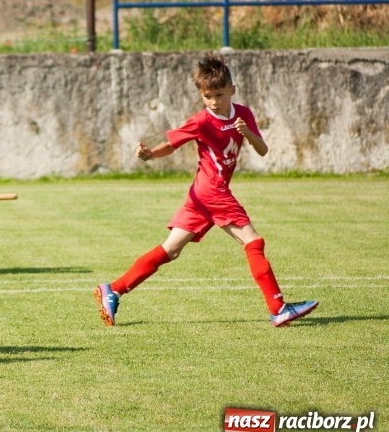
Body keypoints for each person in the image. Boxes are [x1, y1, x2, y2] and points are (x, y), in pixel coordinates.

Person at [95, 53, 319, 328]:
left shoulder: (244, 114)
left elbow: (262, 150)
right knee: (253, 241)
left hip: (200, 196)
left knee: (171, 250)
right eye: (208, 96)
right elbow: (173, 143)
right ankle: (278, 307)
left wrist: (246, 132)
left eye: (220, 94)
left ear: (232, 90)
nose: (214, 101)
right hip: (211, 191)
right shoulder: (201, 121)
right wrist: (150, 154)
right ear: (202, 95)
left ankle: (113, 289)